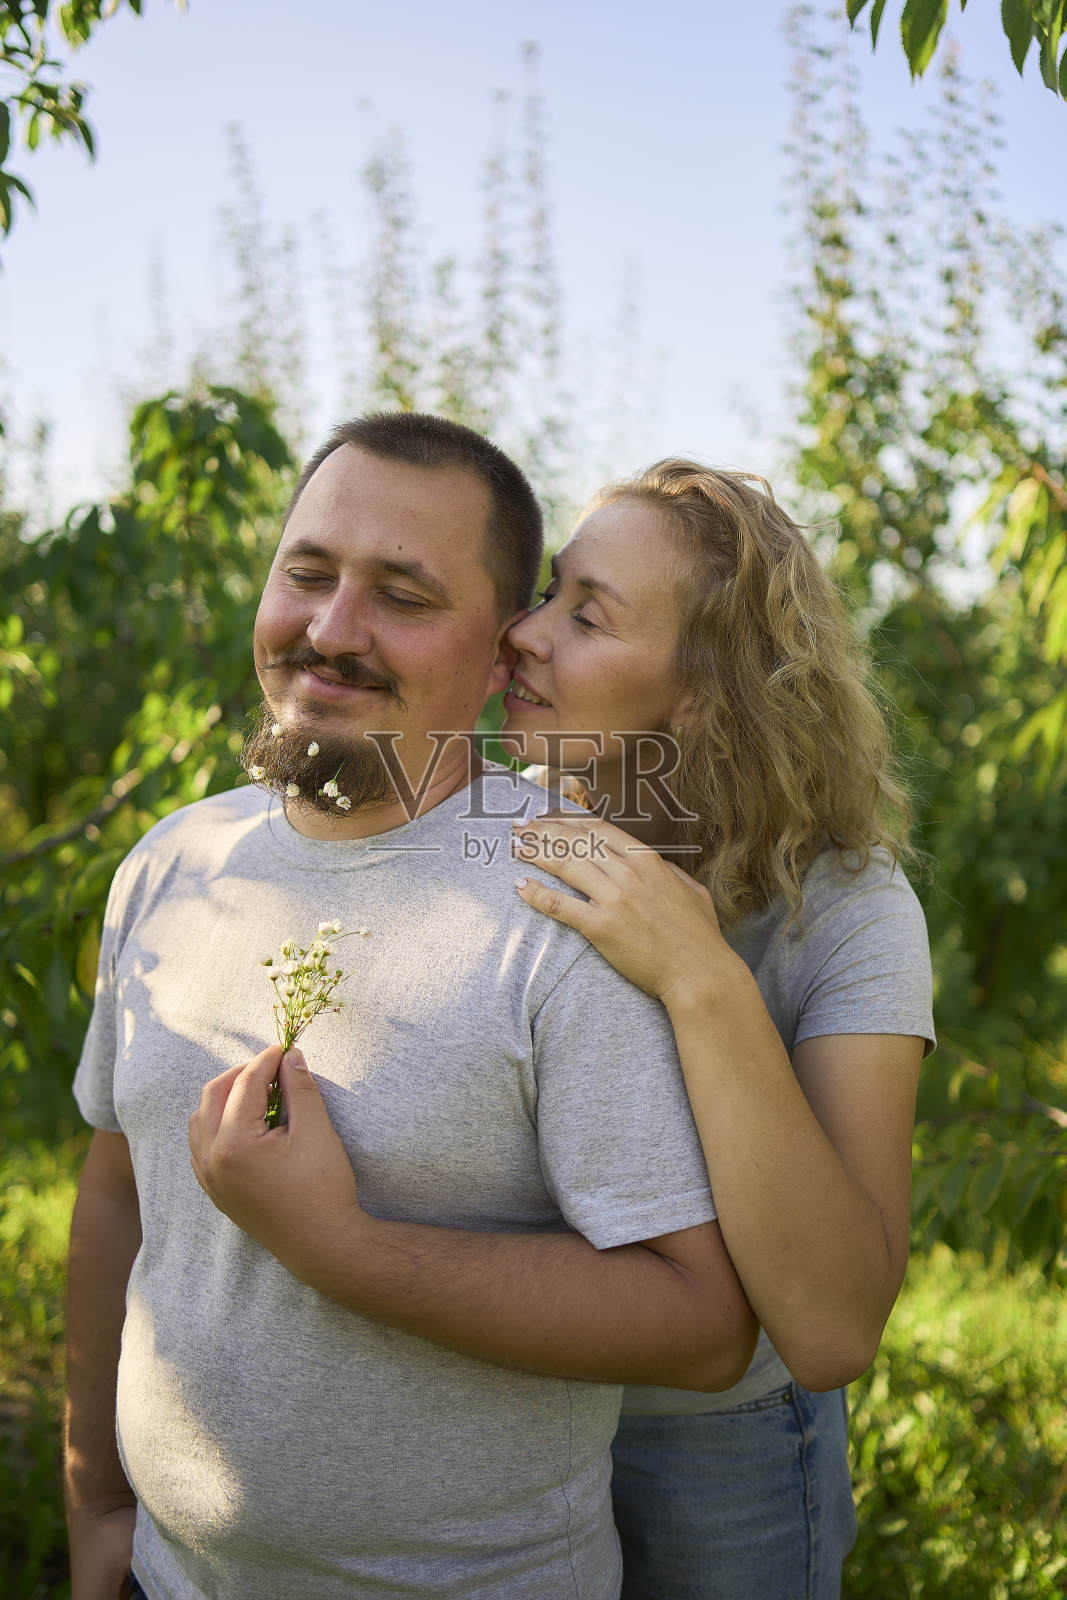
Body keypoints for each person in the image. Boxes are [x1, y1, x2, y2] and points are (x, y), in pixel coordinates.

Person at [65, 416, 757, 1600]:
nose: (331, 632)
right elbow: (119, 1185)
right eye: (309, 572)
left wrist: (344, 1248)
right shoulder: (175, 862)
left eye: (401, 594)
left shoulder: (571, 906)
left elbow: (698, 1324)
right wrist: (97, 1505)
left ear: (500, 653)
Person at [499, 459, 936, 1600]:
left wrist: (699, 974)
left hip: (717, 1449)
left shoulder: (845, 910)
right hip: (506, 1412)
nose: (522, 634)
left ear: (699, 694)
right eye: (546, 592)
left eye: (583, 614)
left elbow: (835, 1323)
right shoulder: (499, 833)